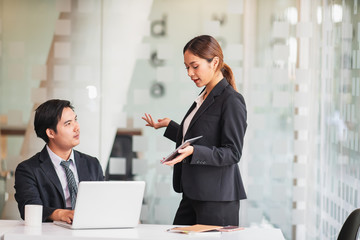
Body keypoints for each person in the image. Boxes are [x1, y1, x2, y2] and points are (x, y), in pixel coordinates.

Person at [142, 35, 247, 226]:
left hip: (217, 200)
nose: (190, 73)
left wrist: (194, 152)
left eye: (195, 66)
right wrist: (170, 126)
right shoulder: (204, 96)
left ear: (214, 62)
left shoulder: (231, 100)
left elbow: (233, 152)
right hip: (193, 194)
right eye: (187, 67)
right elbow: (202, 138)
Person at [14, 99, 104, 223]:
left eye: (75, 120)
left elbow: (104, 202)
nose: (77, 128)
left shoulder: (92, 164)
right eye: (68, 124)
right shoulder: (28, 169)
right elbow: (28, 208)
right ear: (51, 133)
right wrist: (59, 214)